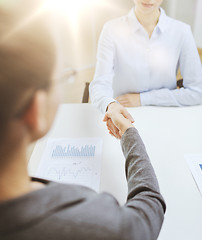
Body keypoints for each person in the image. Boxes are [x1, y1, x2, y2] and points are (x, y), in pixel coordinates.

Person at [0, 1, 166, 240]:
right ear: (35, 110)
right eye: (62, 77)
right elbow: (147, 209)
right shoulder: (98, 224)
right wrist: (129, 132)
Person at [90, 0, 202, 137]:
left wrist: (143, 99)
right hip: (122, 119)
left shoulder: (181, 31)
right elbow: (99, 84)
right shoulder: (111, 29)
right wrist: (110, 105)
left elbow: (198, 92)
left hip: (168, 120)